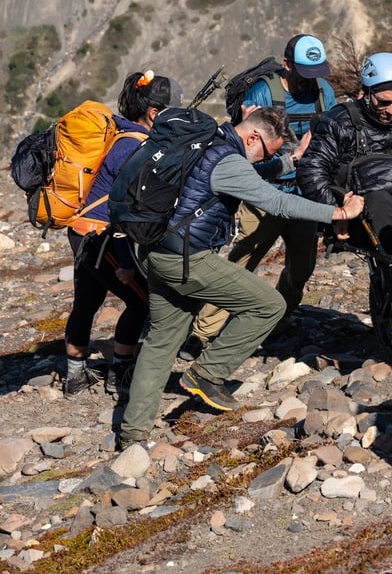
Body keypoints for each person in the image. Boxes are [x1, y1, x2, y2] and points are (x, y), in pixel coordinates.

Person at [119, 106, 366, 449]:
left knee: (162, 341)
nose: (263, 158)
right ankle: (206, 373)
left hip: (153, 251)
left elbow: (253, 172)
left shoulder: (210, 143)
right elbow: (275, 201)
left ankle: (133, 436)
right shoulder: (230, 162)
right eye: (267, 150)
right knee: (268, 305)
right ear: (252, 136)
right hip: (187, 259)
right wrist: (338, 212)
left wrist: (289, 161)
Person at [186, 34, 337, 357]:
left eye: (317, 72)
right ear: (287, 65)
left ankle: (278, 318)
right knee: (241, 263)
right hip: (263, 193)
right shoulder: (264, 92)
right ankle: (202, 333)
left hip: (304, 195)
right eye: (305, 73)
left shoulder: (325, 92)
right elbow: (244, 148)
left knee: (303, 266)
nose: (312, 81)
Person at [62, 71, 182, 399]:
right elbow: (125, 211)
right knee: (141, 301)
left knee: (87, 301)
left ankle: (74, 376)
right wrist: (128, 261)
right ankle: (121, 372)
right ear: (154, 114)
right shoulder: (138, 148)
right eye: (174, 111)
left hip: (82, 230)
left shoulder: (122, 134)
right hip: (104, 236)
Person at [297, 51, 392, 259]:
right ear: (366, 92)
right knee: (380, 200)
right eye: (383, 102)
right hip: (368, 204)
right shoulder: (339, 121)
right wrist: (337, 209)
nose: (391, 110)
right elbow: (311, 170)